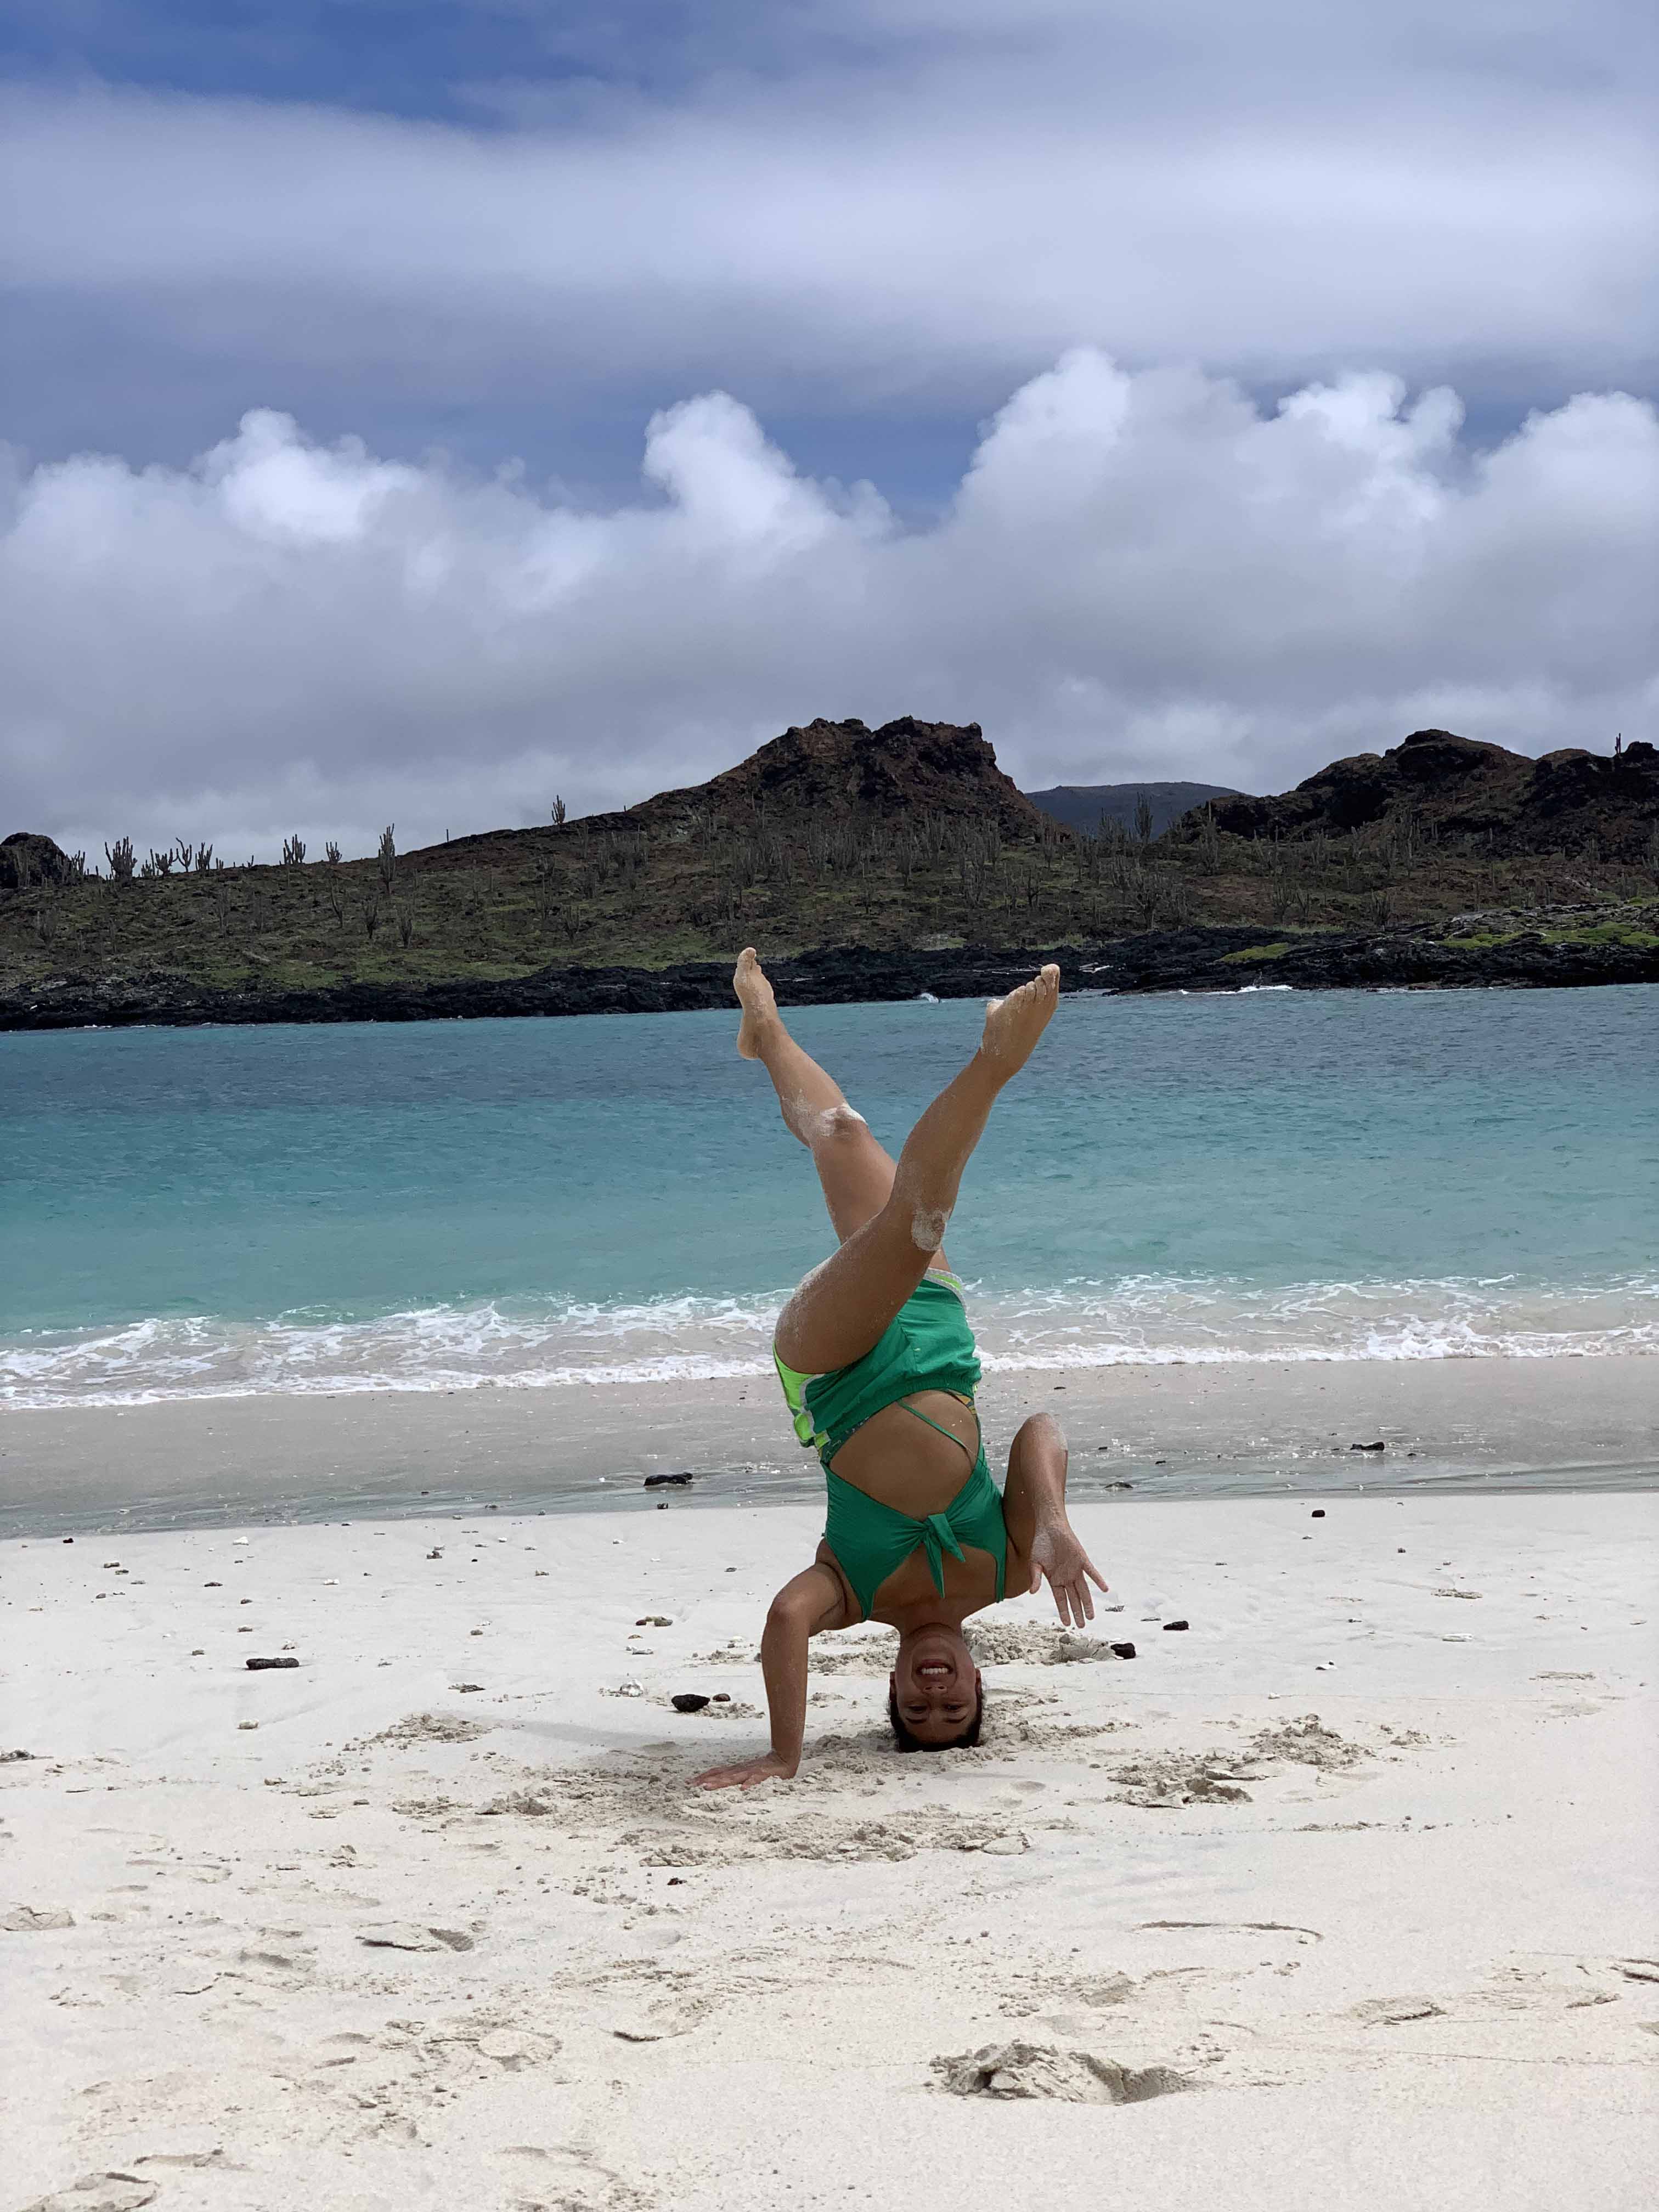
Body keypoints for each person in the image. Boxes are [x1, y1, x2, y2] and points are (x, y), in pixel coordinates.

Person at [695, 950, 1108, 1792]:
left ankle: (994, 1062)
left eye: (916, 1713)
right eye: (955, 1710)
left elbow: (786, 1619)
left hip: (834, 1373)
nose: (935, 1698)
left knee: (914, 1223)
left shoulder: (853, 1596)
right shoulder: (1009, 1572)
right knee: (843, 1134)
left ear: (890, 1687)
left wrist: (784, 1755)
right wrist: (1053, 1525)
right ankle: (765, 1033)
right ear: (979, 1683)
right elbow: (1043, 1430)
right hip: (934, 1336)